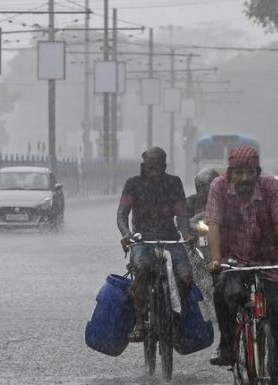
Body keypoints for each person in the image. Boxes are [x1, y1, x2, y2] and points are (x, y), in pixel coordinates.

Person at [205, 145, 278, 365]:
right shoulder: (219, 187)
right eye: (238, 172)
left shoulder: (271, 188)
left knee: (275, 308)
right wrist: (217, 260)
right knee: (224, 294)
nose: (244, 178)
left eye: (250, 172)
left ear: (258, 171)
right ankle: (226, 345)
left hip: (269, 262)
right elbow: (214, 224)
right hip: (233, 262)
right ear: (230, 172)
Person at [116, 146, 193, 342]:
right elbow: (122, 214)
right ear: (143, 166)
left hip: (171, 239)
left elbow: (182, 213)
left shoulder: (174, 183)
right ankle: (141, 322)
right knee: (142, 270)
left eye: (157, 168)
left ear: (164, 166)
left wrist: (186, 234)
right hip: (142, 241)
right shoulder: (132, 184)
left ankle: (178, 319)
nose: (153, 173)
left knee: (185, 278)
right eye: (149, 168)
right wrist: (127, 234)